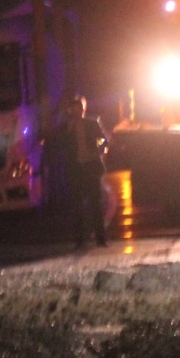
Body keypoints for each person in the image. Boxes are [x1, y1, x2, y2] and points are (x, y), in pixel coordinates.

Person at [61, 95, 109, 247]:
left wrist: (99, 151)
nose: (75, 111)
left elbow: (102, 139)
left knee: (95, 202)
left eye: (77, 108)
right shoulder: (66, 127)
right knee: (77, 205)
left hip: (90, 166)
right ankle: (79, 239)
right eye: (72, 108)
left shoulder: (91, 123)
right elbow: (61, 144)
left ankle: (101, 238)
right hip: (76, 169)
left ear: (82, 109)